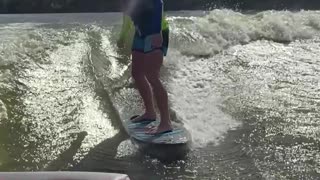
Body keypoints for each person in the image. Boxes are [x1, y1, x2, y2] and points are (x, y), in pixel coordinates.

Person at [121, 0, 172, 134]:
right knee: (137, 73)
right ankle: (150, 112)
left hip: (156, 31)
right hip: (141, 32)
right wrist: (123, 35)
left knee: (152, 75)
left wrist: (156, 31)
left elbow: (158, 2)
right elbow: (128, 13)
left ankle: (166, 123)